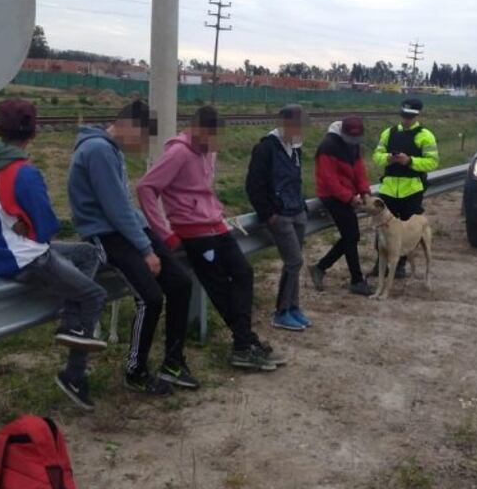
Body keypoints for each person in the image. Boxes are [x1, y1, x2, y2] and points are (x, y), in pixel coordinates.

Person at [0, 99, 107, 411]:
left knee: (88, 254)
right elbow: (46, 229)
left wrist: (14, 225)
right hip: (24, 260)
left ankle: (70, 320)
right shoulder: (23, 173)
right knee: (93, 295)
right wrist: (22, 227)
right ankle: (74, 376)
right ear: (34, 132)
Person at [137, 106, 284, 371]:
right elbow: (146, 187)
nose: (214, 144)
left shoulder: (209, 151)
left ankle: (244, 341)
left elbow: (204, 189)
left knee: (244, 273)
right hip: (193, 231)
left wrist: (216, 209)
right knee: (219, 286)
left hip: (216, 225)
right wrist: (165, 234)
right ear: (197, 130)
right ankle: (243, 345)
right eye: (211, 136)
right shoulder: (179, 152)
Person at [68, 100, 196, 395]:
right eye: (140, 138)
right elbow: (114, 208)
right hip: (105, 233)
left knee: (180, 282)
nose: (140, 145)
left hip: (128, 228)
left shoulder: (110, 149)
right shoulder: (98, 150)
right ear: (126, 126)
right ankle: (135, 371)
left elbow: (123, 207)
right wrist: (146, 249)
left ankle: (173, 362)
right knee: (150, 298)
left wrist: (148, 233)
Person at [245, 104, 311, 331]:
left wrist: (302, 207)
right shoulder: (265, 148)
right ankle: (281, 312)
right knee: (294, 261)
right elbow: (254, 185)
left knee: (294, 262)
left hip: (296, 211)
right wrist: (269, 214)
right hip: (280, 215)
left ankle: (293, 307)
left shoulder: (295, 148)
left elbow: (296, 179)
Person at [370, 98, 440, 278]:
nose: (406, 120)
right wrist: (388, 158)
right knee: (382, 229)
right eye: (403, 116)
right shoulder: (389, 133)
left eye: (410, 117)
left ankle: (400, 265)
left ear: (417, 115)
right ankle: (380, 264)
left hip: (412, 190)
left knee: (405, 231)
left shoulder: (425, 135)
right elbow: (376, 156)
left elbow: (432, 162)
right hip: (388, 190)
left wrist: (410, 161)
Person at [309, 117, 374, 296]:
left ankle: (320, 267)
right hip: (331, 196)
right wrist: (349, 198)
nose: (354, 142)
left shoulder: (354, 145)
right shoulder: (328, 146)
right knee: (352, 236)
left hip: (347, 195)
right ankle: (356, 280)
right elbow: (328, 179)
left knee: (351, 236)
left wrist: (364, 192)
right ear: (343, 133)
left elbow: (359, 170)